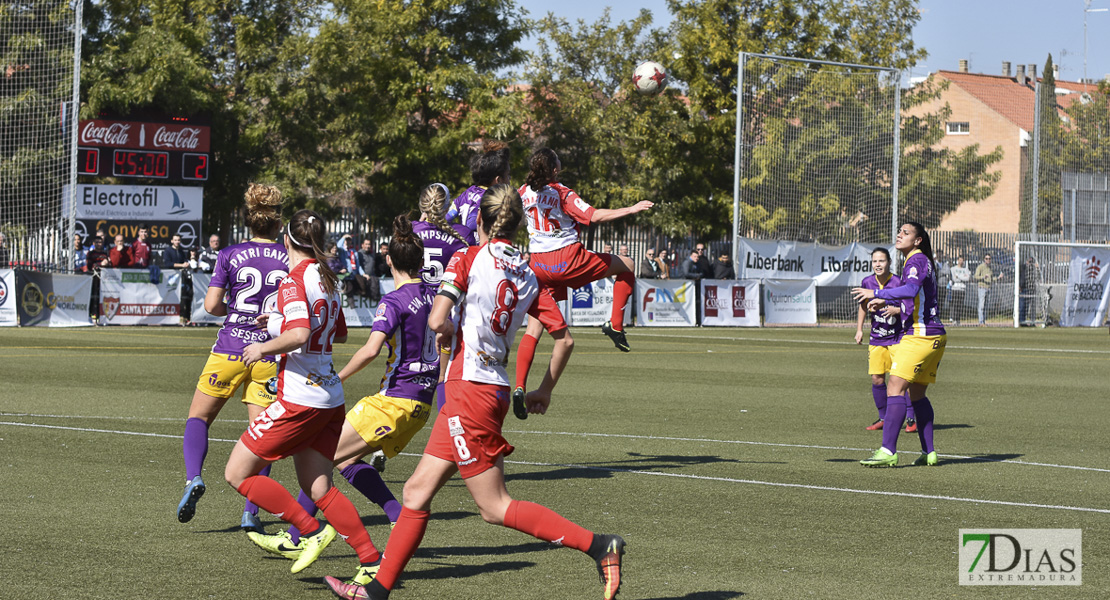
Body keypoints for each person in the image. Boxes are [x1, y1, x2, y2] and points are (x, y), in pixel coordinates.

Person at [325, 184, 626, 600]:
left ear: (479, 220)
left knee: (494, 506)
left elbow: (437, 320)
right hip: (490, 388)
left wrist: (449, 328)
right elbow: (564, 340)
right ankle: (377, 591)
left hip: (470, 391)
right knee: (416, 491)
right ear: (519, 225)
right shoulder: (529, 272)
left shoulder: (468, 257)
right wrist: (543, 390)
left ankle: (599, 546)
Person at [246, 215, 437, 583]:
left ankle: (298, 537)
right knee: (346, 460)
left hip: (395, 400)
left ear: (389, 260)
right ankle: (395, 514)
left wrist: (340, 376)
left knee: (322, 463)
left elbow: (369, 349)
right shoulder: (434, 295)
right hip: (422, 402)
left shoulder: (394, 300)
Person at [223, 208, 383, 578]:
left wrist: (262, 347)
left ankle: (311, 531)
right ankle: (371, 560)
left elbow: (298, 335)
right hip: (330, 398)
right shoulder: (328, 277)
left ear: (287, 240)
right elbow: (338, 332)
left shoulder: (294, 279)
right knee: (319, 487)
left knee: (237, 473)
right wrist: (277, 321)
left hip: (301, 399)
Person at [176, 184, 290, 532]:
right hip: (269, 352)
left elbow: (211, 305)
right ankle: (251, 511)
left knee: (199, 417)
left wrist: (237, 312)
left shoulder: (229, 254)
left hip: (230, 348)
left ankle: (194, 478)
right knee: (262, 436)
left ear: (248, 222)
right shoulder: (291, 258)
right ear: (277, 223)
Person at [513, 148, 652, 414]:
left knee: (533, 329)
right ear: (555, 169)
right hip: (567, 259)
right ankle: (615, 324)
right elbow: (595, 216)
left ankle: (519, 386)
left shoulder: (523, 192)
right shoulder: (562, 193)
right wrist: (631, 209)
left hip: (538, 265)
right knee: (628, 265)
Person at [851, 222, 946, 468]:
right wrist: (889, 305)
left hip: (920, 335)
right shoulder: (920, 261)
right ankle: (929, 452)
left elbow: (911, 289)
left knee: (894, 387)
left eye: (906, 232)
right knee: (917, 394)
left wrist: (877, 294)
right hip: (934, 334)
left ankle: (888, 451)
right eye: (899, 231)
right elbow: (916, 298)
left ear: (917, 240)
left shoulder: (916, 260)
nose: (899, 235)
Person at [854, 248, 914, 432]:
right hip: (877, 338)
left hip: (898, 338)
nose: (878, 264)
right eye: (875, 261)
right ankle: (884, 417)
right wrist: (859, 329)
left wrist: (896, 310)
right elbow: (863, 306)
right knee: (877, 379)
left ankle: (911, 419)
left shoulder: (898, 282)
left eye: (881, 261)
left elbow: (909, 305)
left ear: (889, 262)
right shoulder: (867, 282)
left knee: (902, 380)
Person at [446, 140, 511, 233]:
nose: (509, 179)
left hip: (462, 241)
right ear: (498, 180)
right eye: (508, 175)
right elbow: (472, 224)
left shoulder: (466, 193)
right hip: (479, 242)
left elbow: (447, 218)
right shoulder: (491, 200)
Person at [974, 253, 999, 326]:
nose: (988, 260)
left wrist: (998, 278)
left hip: (988, 288)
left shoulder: (990, 268)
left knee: (986, 306)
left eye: (989, 259)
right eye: (986, 258)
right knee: (981, 305)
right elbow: (976, 276)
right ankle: (980, 322)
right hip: (982, 287)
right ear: (984, 259)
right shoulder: (980, 267)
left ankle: (983, 321)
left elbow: (991, 279)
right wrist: (983, 277)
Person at [949, 255, 970, 325]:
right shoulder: (953, 269)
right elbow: (954, 279)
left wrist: (958, 276)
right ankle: (954, 319)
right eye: (960, 260)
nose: (961, 262)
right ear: (958, 260)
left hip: (962, 289)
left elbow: (967, 278)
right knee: (955, 304)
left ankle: (958, 320)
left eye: (962, 260)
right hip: (955, 288)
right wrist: (962, 277)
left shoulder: (965, 269)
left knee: (960, 305)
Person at [1019, 256, 1038, 325]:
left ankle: (1033, 322)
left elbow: (1038, 277)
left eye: (1032, 262)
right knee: (1023, 306)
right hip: (1025, 289)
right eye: (1029, 262)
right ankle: (1022, 321)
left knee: (1033, 307)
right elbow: (1020, 276)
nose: (1030, 264)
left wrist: (1037, 268)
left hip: (1032, 289)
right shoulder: (1023, 268)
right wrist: (1020, 285)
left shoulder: (1034, 269)